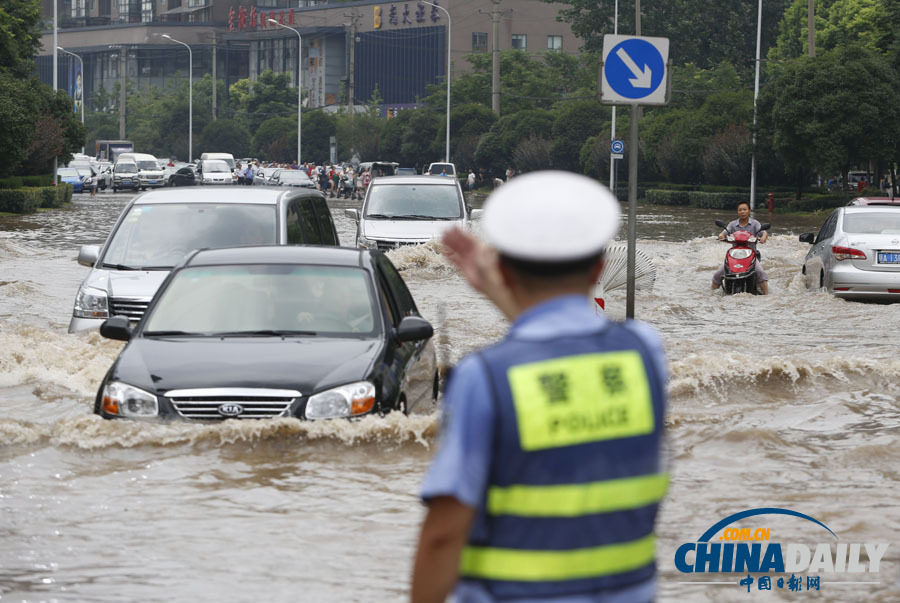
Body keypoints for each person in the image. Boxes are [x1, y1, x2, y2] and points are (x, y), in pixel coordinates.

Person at [411, 171, 669, 603]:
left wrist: (495, 286)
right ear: (601, 268)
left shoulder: (486, 377)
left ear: (506, 270)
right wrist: (503, 288)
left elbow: (443, 535)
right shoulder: (645, 351)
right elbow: (567, 344)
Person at [712, 200, 769, 295]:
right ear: (737, 212)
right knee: (718, 273)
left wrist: (763, 237)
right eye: (740, 210)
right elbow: (724, 232)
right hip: (734, 257)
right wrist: (721, 235)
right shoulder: (732, 224)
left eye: (744, 209)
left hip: (751, 256)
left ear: (749, 211)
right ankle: (711, 295)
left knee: (761, 272)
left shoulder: (755, 224)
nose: (742, 212)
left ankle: (767, 295)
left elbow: (764, 232)